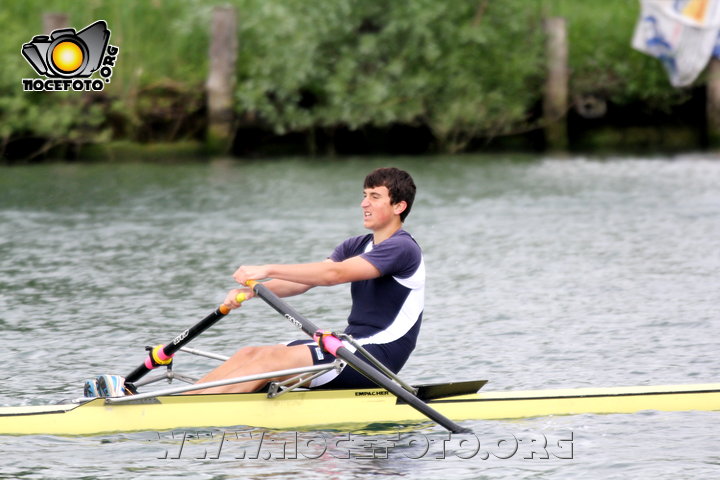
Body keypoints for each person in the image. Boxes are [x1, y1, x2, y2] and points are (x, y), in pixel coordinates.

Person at [191, 167, 424, 394]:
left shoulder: (402, 248)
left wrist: (267, 269)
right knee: (249, 353)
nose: (364, 204)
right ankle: (181, 401)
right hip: (350, 344)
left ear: (399, 206)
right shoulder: (355, 245)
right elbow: (303, 282)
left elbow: (334, 275)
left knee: (270, 362)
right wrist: (253, 292)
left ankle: (190, 411)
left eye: (374, 197)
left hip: (377, 358)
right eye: (364, 196)